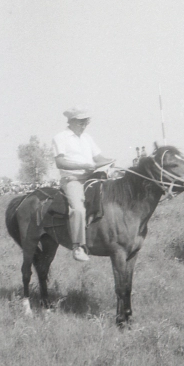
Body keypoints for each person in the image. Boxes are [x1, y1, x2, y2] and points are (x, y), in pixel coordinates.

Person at [52, 108, 114, 262]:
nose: (84, 124)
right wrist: (84, 165)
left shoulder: (87, 138)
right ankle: (78, 246)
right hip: (73, 179)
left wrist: (110, 160)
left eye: (86, 121)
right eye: (81, 121)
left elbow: (99, 158)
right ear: (71, 121)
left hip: (91, 178)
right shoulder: (60, 138)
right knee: (78, 209)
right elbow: (59, 162)